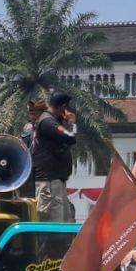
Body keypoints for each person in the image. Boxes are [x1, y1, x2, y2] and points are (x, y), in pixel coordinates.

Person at [31, 91, 77, 222]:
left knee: (64, 220)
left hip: (55, 180)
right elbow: (71, 137)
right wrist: (72, 123)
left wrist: (63, 120)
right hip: (48, 182)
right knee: (53, 222)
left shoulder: (53, 121)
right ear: (63, 107)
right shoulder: (47, 122)